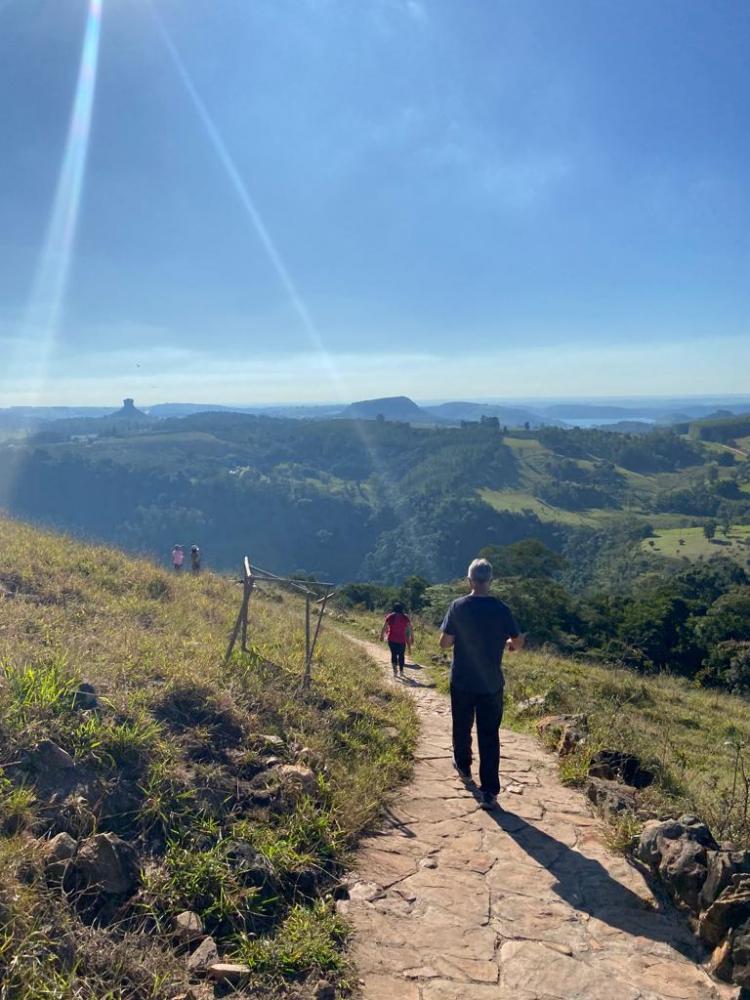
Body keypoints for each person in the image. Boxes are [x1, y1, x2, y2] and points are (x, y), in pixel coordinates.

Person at [440, 558, 524, 810]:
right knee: (489, 735)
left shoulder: (458, 606)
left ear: (469, 580)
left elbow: (444, 643)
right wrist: (509, 645)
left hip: (463, 678)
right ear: (490, 581)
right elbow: (517, 642)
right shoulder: (501, 608)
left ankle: (464, 767)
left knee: (461, 725)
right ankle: (489, 791)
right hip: (491, 682)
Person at [380, 601, 413, 678]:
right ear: (402, 609)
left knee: (393, 654)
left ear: (394, 608)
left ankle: (395, 671)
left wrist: (381, 635)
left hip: (391, 639)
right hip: (401, 640)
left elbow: (384, 627)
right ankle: (401, 671)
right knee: (401, 655)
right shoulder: (405, 617)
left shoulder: (390, 616)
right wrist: (412, 637)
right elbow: (410, 628)